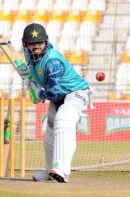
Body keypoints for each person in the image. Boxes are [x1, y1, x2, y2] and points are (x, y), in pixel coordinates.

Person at [22, 23, 93, 183]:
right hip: (59, 98)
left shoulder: (52, 61)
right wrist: (31, 84)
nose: (36, 46)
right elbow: (34, 78)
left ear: (45, 42)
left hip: (76, 93)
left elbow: (52, 93)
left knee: (64, 119)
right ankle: (49, 171)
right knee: (50, 134)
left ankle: (62, 169)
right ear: (26, 45)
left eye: (39, 43)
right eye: (32, 43)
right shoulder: (29, 57)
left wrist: (39, 94)